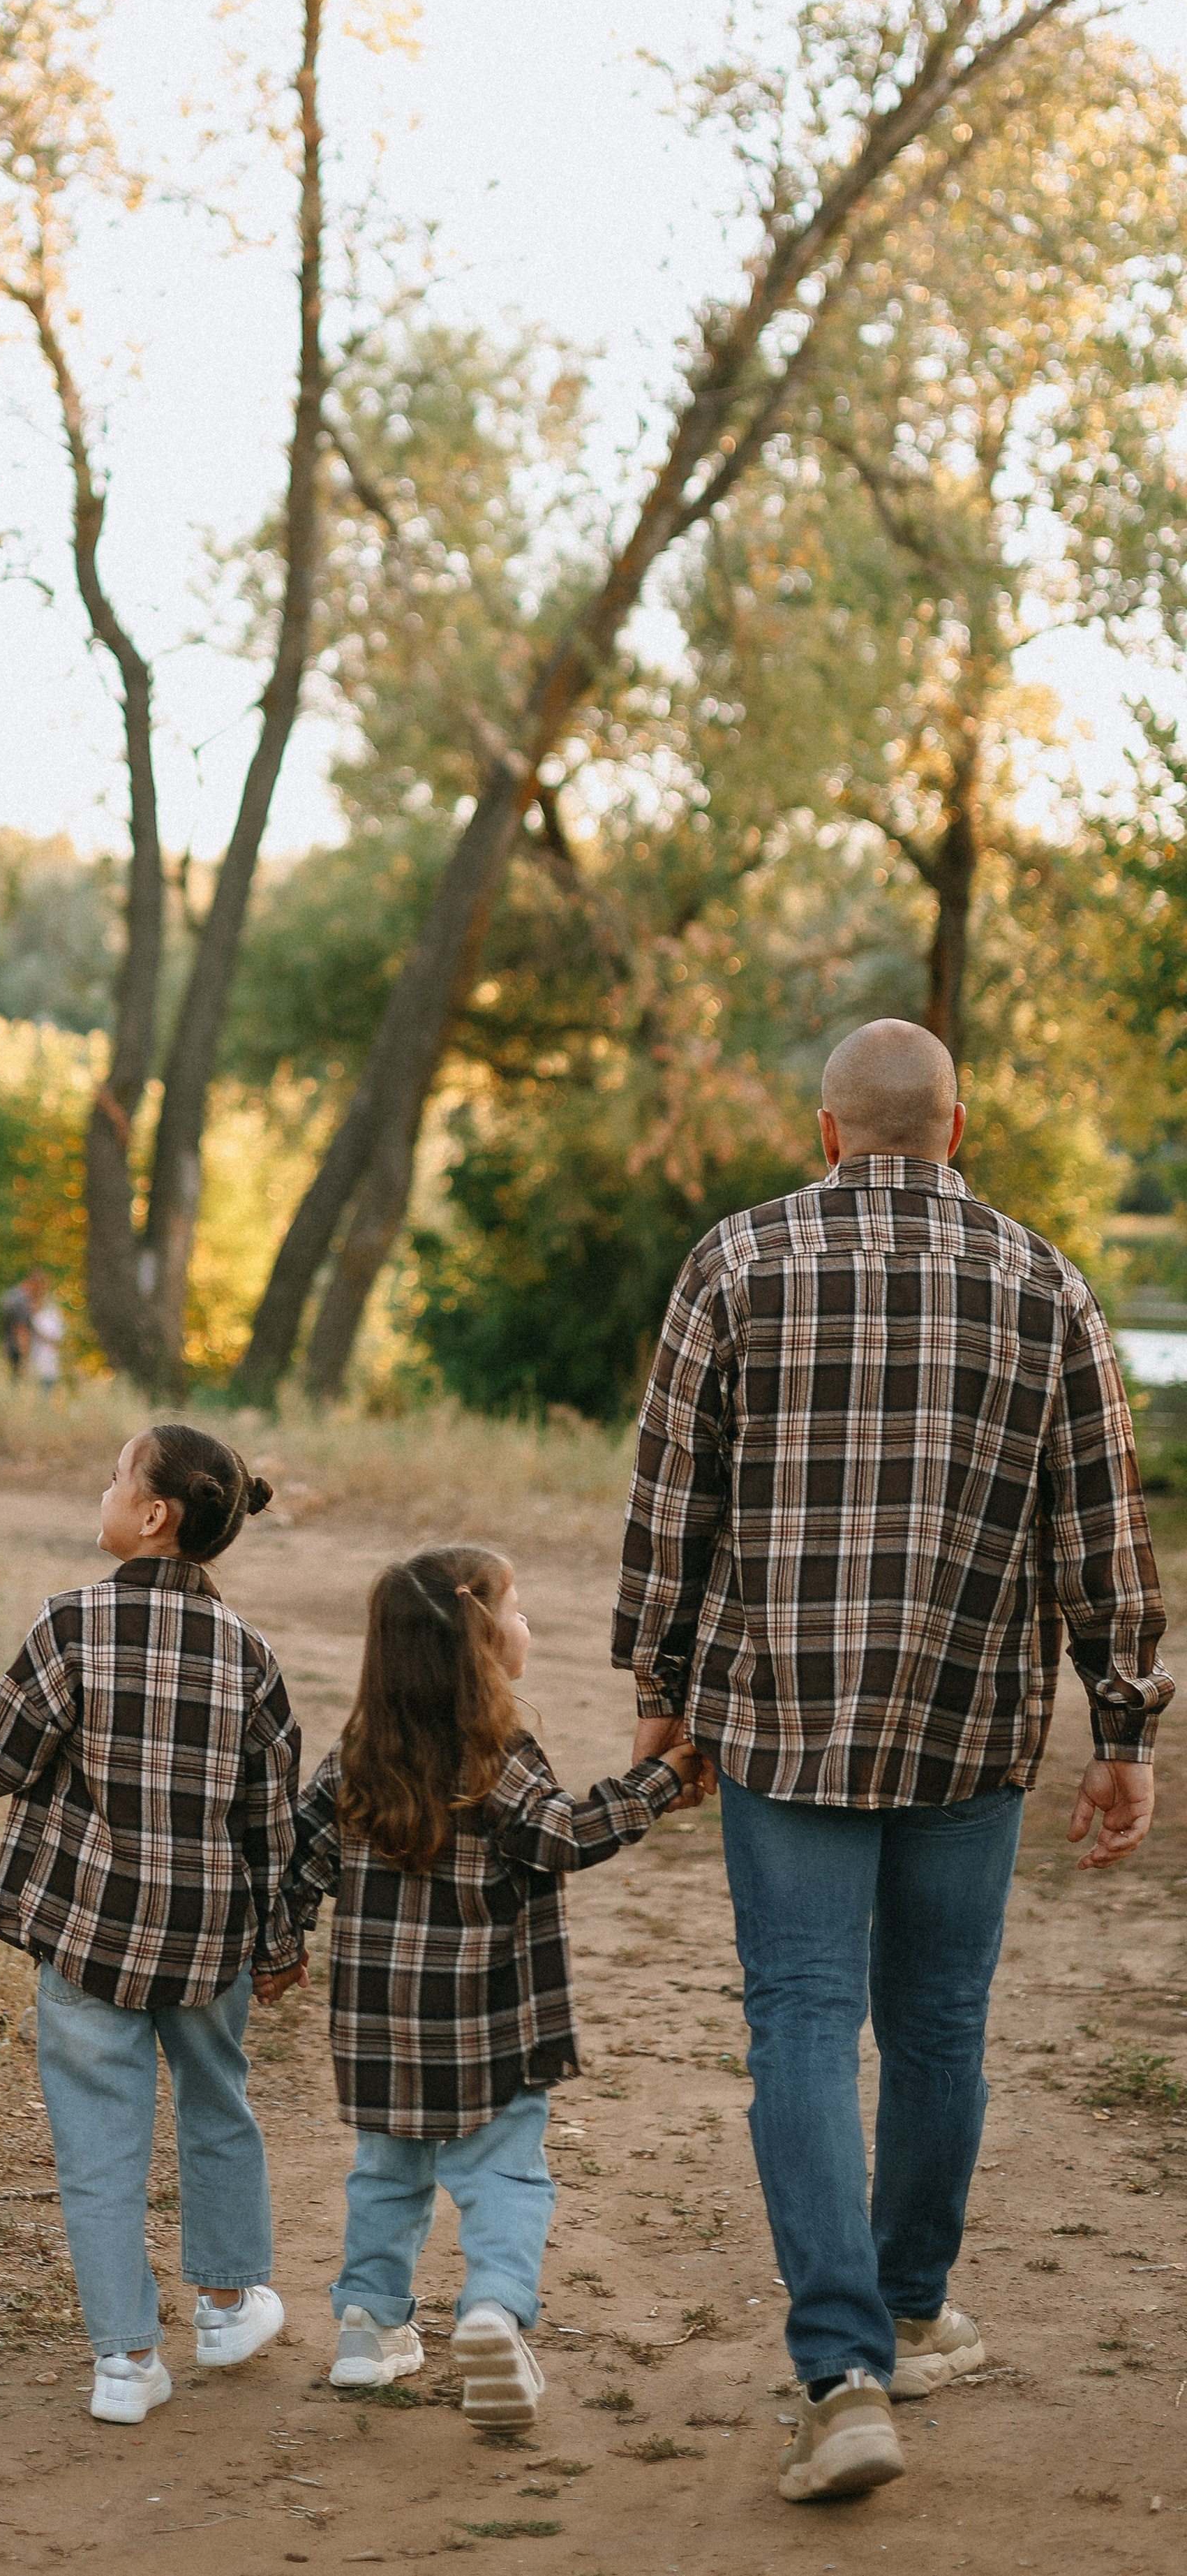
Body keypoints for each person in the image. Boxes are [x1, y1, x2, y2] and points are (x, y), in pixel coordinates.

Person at [613, 1017, 1171, 2505]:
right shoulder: (1043, 1282)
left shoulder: (732, 1264)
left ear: (826, 1133)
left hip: (781, 1714)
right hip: (966, 1718)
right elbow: (1097, 1534)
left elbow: (669, 1496)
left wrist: (660, 1690)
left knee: (797, 2017)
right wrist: (1120, 1731)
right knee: (937, 2023)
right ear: (955, 1126)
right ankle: (912, 2310)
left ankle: (843, 2368)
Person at [0, 1422, 301, 2425]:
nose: (107, 1485)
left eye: (119, 1475)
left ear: (154, 1515)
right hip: (210, 1944)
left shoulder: (69, 1627)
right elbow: (273, 1822)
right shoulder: (251, 1655)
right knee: (219, 2109)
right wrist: (282, 1943)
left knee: (98, 2147)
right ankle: (223, 2305)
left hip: (87, 1936)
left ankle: (126, 2362)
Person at [261, 1544, 700, 2432]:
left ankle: (366, 2325)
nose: (528, 1625)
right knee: (504, 2176)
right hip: (490, 2026)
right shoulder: (499, 1760)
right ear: (482, 1642)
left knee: (385, 2178)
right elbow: (563, 1837)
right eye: (520, 1611)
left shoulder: (354, 1759)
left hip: (379, 2028)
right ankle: (493, 2310)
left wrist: (279, 1949)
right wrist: (662, 1780)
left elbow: (295, 1863)